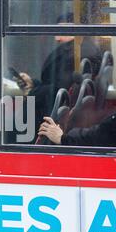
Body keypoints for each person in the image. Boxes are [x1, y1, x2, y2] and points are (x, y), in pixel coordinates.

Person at [16, 13, 102, 142]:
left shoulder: (78, 54)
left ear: (75, 30)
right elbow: (55, 83)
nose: (56, 38)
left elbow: (60, 88)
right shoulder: (81, 50)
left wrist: (32, 93)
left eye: (60, 32)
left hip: (48, 117)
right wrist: (33, 83)